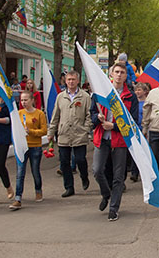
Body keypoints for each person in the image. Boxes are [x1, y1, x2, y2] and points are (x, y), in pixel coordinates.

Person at [90, 62, 138, 221]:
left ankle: (114, 208)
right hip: (102, 137)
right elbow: (92, 114)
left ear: (126, 76)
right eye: (116, 72)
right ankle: (106, 193)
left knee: (118, 177)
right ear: (111, 74)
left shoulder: (130, 96)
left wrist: (115, 126)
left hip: (120, 140)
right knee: (97, 170)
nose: (119, 75)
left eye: (122, 72)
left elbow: (133, 123)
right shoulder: (100, 93)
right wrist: (97, 118)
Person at [47, 70, 92, 198]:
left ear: (78, 81)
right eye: (69, 79)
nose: (71, 82)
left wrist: (86, 129)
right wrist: (51, 132)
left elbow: (89, 115)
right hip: (64, 134)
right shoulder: (60, 97)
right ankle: (69, 187)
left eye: (73, 79)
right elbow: (55, 116)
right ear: (65, 81)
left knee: (80, 159)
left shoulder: (85, 96)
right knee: (64, 162)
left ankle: (84, 176)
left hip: (79, 133)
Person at [10, 90, 47, 210]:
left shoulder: (39, 114)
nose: (23, 102)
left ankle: (38, 190)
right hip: (22, 146)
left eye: (26, 100)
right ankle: (18, 197)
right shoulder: (19, 114)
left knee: (35, 170)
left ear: (32, 100)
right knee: (20, 172)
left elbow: (44, 131)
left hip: (35, 146)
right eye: (21, 100)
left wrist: (31, 132)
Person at [128, 82, 149, 182]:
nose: (137, 92)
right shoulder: (133, 102)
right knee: (135, 152)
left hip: (144, 129)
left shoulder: (147, 103)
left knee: (144, 152)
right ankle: (134, 172)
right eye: (136, 90)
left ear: (145, 92)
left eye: (139, 90)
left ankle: (145, 172)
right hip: (135, 129)